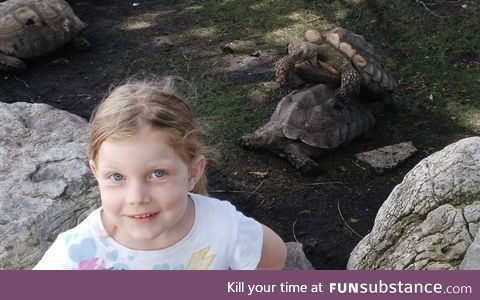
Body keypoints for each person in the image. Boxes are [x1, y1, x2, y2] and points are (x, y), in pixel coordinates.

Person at [33, 78, 287, 270]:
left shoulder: (223, 227)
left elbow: (273, 254)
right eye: (117, 177)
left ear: (193, 172)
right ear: (96, 173)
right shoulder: (74, 254)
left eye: (157, 173)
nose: (137, 197)